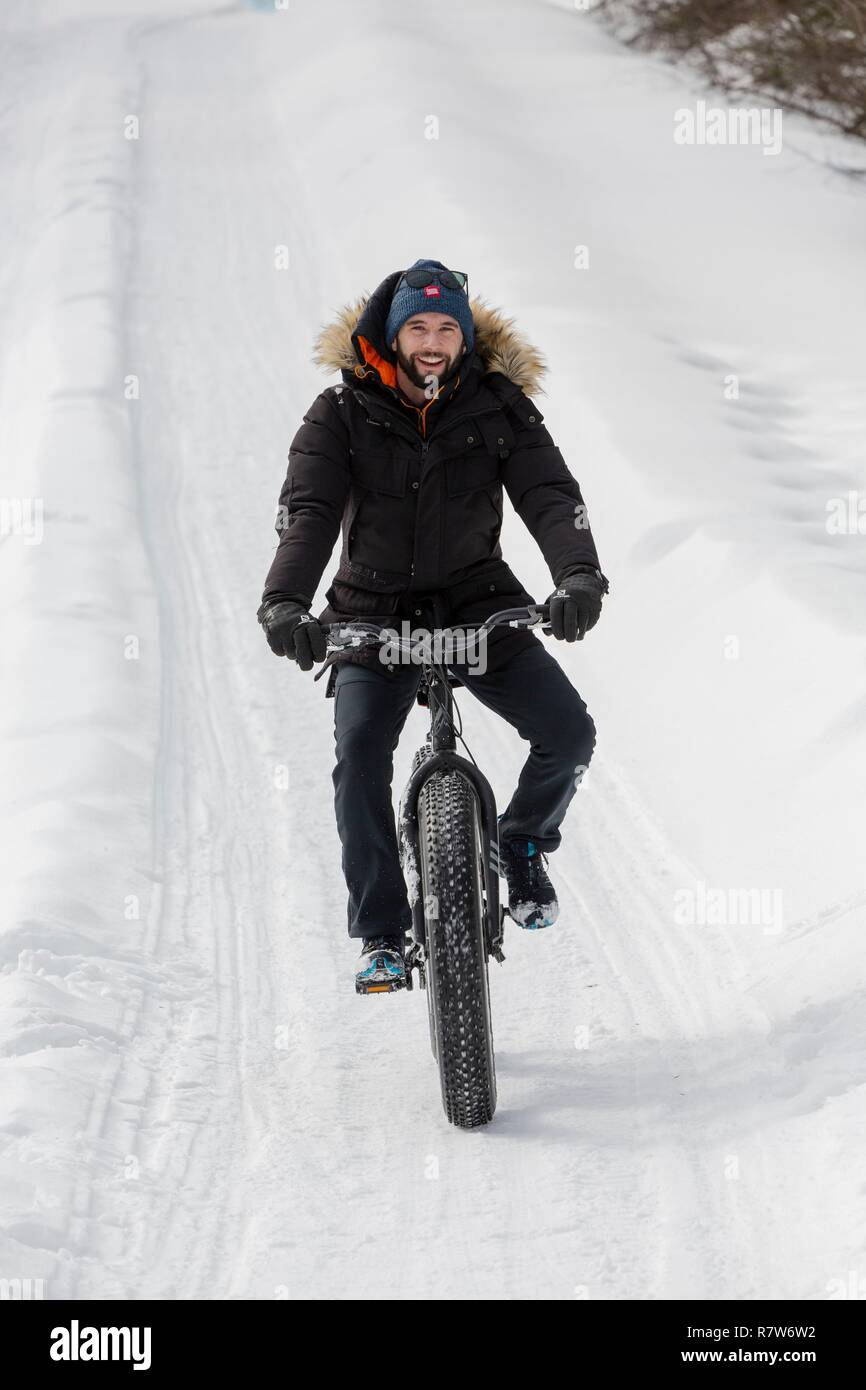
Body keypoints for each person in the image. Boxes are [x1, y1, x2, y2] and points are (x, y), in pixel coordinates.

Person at [257, 259, 609, 992]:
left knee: (569, 733)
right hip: (369, 611)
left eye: (447, 327)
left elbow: (549, 495)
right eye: (418, 326)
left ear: (464, 336)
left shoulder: (498, 405)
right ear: (391, 335)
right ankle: (382, 933)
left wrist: (576, 575)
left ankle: (520, 844)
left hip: (479, 602)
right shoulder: (340, 412)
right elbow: (310, 515)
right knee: (359, 756)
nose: (432, 341)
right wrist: (286, 601)